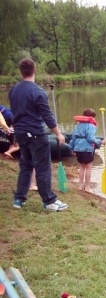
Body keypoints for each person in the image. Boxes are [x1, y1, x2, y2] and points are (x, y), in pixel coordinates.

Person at [9, 58, 68, 211]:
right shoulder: (38, 92)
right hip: (35, 134)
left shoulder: (14, 90)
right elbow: (47, 116)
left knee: (26, 166)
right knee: (43, 168)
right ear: (34, 71)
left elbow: (15, 112)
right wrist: (59, 134)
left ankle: (18, 199)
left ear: (21, 72)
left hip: (20, 134)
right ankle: (49, 201)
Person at [69, 108, 106, 193]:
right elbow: (90, 139)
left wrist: (72, 148)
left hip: (78, 148)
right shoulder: (91, 126)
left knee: (82, 166)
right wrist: (100, 141)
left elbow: (73, 137)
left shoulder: (78, 125)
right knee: (88, 167)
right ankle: (88, 187)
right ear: (92, 117)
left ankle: (80, 185)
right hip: (86, 148)